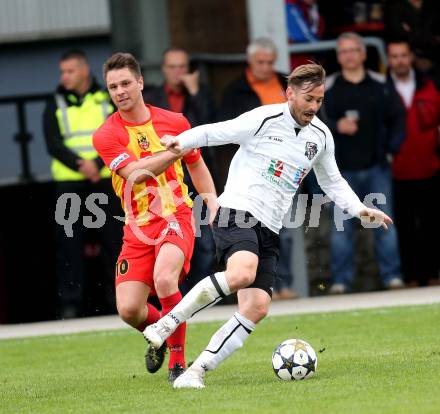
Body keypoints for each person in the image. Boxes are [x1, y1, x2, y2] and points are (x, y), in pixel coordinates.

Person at [145, 63, 394, 388]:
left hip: (270, 226)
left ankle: (196, 371)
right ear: (290, 93)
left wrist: (359, 209)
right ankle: (168, 322)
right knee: (242, 273)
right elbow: (215, 131)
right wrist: (181, 142)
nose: (313, 107)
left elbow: (332, 181)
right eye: (308, 99)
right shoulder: (264, 119)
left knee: (257, 307)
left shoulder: (320, 136)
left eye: (319, 100)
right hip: (237, 211)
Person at [92, 52, 217, 383]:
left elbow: (196, 165)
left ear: (141, 83)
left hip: (176, 214)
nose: (119, 91)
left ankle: (178, 362)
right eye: (113, 86)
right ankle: (162, 331)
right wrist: (173, 150)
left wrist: (213, 203)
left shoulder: (175, 121)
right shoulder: (106, 135)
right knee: (129, 310)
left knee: (165, 280)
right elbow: (136, 174)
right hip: (137, 228)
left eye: (125, 83)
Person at [322, 32, 405, 294]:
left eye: (353, 50)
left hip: (376, 167)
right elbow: (317, 124)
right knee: (340, 230)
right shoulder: (330, 88)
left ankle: (392, 277)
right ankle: (340, 282)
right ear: (338, 56)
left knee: (385, 226)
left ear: (363, 54)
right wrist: (337, 126)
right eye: (343, 51)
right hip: (341, 172)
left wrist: (390, 150)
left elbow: (398, 119)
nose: (348, 55)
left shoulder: (381, 84)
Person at [43, 49, 122, 319]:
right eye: (62, 72)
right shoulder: (54, 101)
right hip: (69, 184)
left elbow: (118, 132)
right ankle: (70, 304)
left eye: (70, 71)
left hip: (103, 180)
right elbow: (53, 143)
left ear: (85, 70)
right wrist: (82, 165)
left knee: (113, 241)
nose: (65, 77)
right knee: (68, 245)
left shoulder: (105, 99)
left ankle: (118, 300)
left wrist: (97, 166)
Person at [219, 37, 297, 300]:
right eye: (259, 62)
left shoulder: (288, 87)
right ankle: (249, 287)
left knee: (282, 233)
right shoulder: (235, 91)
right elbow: (227, 134)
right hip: (251, 177)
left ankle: (282, 286)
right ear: (250, 62)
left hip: (284, 174)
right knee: (252, 233)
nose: (265, 67)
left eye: (269, 62)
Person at [144, 48, 217, 294]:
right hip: (167, 182)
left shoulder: (200, 94)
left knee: (205, 243)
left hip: (195, 176)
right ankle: (177, 295)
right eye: (172, 67)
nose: (177, 72)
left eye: (182, 67)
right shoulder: (151, 98)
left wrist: (195, 92)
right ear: (164, 70)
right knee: (166, 243)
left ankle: (197, 295)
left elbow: (208, 130)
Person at [386, 40, 440, 286]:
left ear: (411, 57)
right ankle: (410, 277)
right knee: (404, 228)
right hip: (396, 170)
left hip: (430, 166)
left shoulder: (430, 85)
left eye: (403, 55)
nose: (399, 60)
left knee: (432, 224)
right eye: (394, 56)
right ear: (388, 60)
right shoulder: (383, 89)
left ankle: (432, 275)